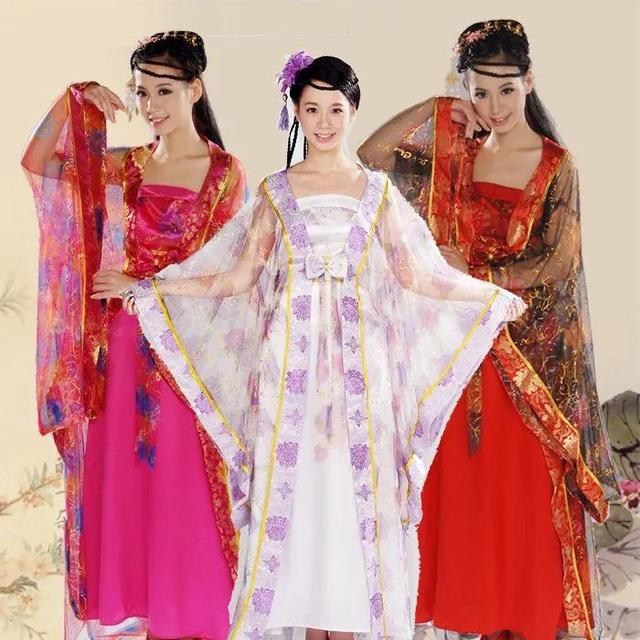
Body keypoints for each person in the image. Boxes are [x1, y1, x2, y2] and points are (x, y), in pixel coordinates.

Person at [126, 52, 524, 640]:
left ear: (353, 111)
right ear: (295, 111)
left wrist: (487, 298)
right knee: (303, 501)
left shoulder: (378, 194)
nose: (324, 121)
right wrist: (160, 289)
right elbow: (238, 277)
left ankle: (352, 622)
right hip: (292, 376)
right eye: (311, 109)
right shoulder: (276, 192)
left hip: (364, 377)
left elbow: (418, 276)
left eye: (335, 109)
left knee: (353, 498)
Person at [358, 19, 619, 640]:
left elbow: (557, 261)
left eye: (506, 89)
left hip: (524, 362)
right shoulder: (454, 154)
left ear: (529, 82)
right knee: (470, 499)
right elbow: (369, 160)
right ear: (465, 89)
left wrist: (474, 270)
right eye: (480, 91)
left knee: (520, 500)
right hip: (456, 356)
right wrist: (431, 107)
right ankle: (478, 619)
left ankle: (524, 623)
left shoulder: (555, 166)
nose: (495, 105)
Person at [21, 30, 246, 640]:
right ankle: (136, 615)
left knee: (181, 488)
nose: (150, 105)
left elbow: (227, 278)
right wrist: (74, 100)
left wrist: (143, 285)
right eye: (141, 92)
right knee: (126, 485)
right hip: (121, 352)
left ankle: (187, 617)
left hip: (184, 355)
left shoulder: (225, 175)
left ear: (195, 89)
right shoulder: (127, 166)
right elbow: (40, 164)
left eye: (164, 91)